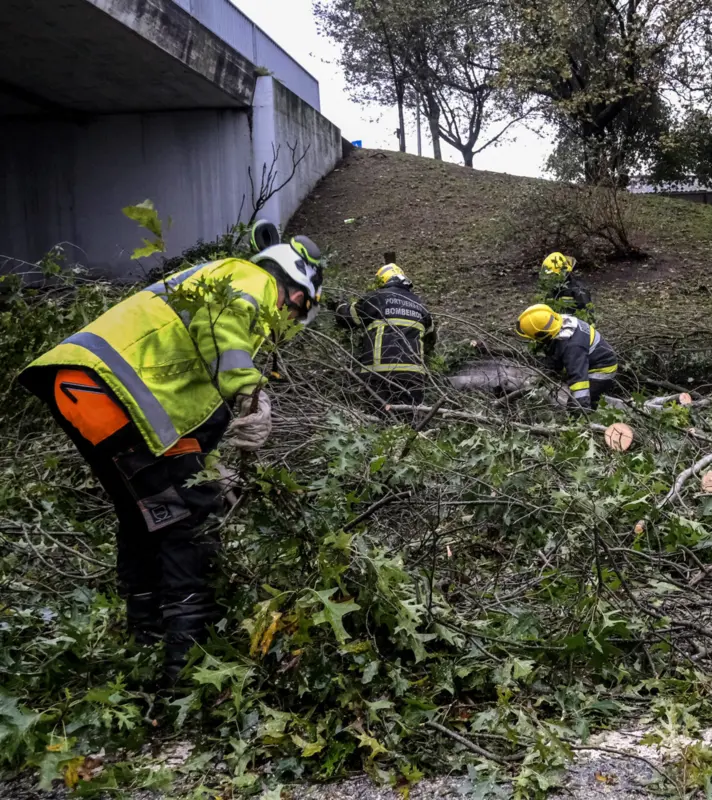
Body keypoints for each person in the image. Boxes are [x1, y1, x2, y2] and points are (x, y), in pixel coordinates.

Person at [18, 224, 324, 683]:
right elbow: (224, 322)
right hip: (117, 391)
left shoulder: (208, 291)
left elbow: (190, 398)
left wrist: (207, 466)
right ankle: (189, 665)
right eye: (297, 306)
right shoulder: (247, 278)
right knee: (188, 519)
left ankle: (146, 644)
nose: (288, 319)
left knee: (147, 517)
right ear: (291, 280)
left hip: (83, 390)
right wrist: (250, 391)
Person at [335, 260, 435, 406]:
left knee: (378, 422)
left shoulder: (375, 298)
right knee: (408, 421)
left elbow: (345, 318)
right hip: (413, 377)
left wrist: (339, 305)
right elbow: (430, 341)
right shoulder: (421, 306)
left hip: (378, 375)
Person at [516, 304, 618, 412]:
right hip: (588, 359)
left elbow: (579, 381)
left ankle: (587, 420)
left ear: (542, 335)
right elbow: (557, 349)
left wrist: (580, 409)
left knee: (575, 405)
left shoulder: (573, 347)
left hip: (602, 369)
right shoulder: (559, 322)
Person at [538, 252, 593, 318]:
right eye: (548, 276)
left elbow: (588, 314)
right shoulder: (550, 289)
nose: (549, 279)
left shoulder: (578, 291)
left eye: (552, 276)